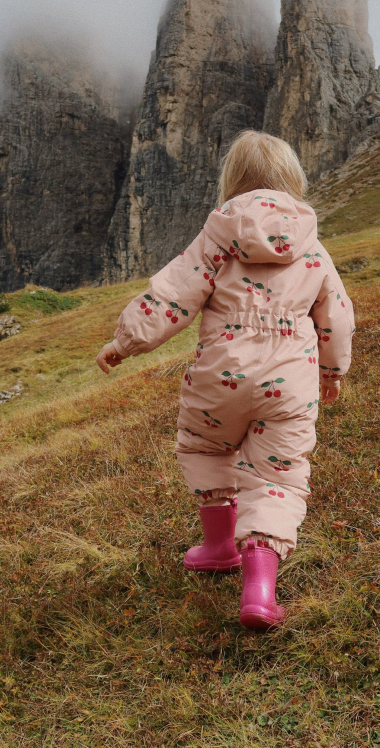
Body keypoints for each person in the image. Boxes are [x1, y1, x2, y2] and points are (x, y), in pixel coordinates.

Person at [96, 130, 355, 629]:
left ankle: (218, 545)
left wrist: (124, 342)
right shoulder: (312, 247)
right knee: (277, 477)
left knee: (204, 447)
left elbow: (172, 296)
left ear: (232, 181)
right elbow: (337, 317)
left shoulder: (217, 237)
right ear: (293, 180)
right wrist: (332, 372)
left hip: (221, 376)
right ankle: (259, 590)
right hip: (289, 386)